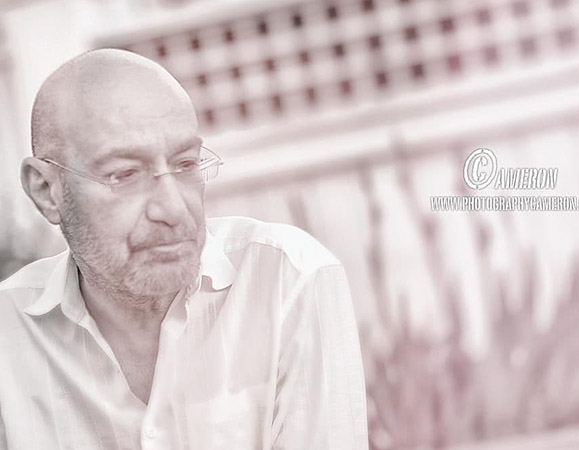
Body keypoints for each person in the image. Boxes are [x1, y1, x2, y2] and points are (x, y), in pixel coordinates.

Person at [0, 49, 368, 450]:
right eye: (125, 174)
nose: (173, 209)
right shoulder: (9, 335)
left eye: (186, 164)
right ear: (46, 191)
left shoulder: (286, 281)